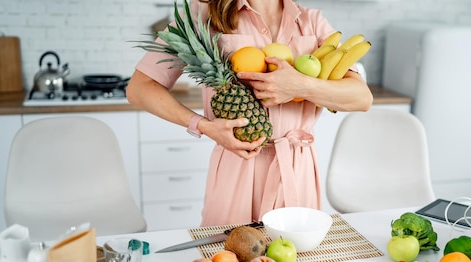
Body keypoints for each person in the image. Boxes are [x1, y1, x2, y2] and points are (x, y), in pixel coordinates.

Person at [126, 0, 373, 226]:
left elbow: (361, 98)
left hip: (297, 168)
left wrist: (300, 86)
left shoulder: (311, 21)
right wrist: (202, 125)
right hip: (237, 167)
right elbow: (139, 88)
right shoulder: (205, 14)